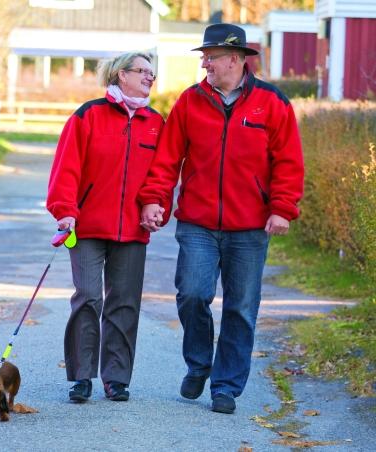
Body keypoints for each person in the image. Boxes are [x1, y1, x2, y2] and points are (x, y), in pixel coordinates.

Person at [139, 23, 304, 414]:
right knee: (192, 294)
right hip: (197, 222)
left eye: (210, 58)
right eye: (204, 58)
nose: (205, 65)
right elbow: (166, 159)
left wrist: (282, 208)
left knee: (241, 308)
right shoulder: (190, 102)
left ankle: (225, 386)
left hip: (249, 227)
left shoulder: (272, 102)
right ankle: (199, 365)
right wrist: (154, 200)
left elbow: (288, 162)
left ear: (235, 59)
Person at [46, 52, 164, 403]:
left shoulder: (156, 122)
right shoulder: (88, 115)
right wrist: (65, 211)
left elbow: (162, 175)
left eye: (152, 73)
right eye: (142, 71)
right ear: (120, 74)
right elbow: (66, 167)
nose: (149, 77)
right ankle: (81, 376)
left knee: (124, 303)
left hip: (132, 230)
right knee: (88, 298)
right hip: (85, 227)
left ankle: (116, 378)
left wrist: (155, 204)